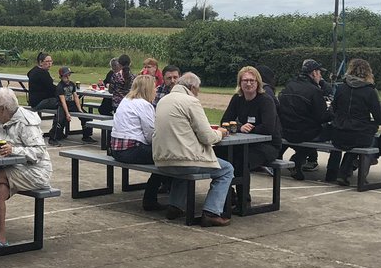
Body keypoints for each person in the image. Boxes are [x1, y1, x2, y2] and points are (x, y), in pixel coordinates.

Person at [153, 72, 234, 227]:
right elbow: (207, 137)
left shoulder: (163, 100)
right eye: (198, 90)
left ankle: (175, 206)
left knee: (181, 162)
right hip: (184, 161)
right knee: (227, 169)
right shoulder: (191, 101)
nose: (198, 93)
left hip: (162, 160)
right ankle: (211, 212)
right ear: (192, 87)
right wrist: (221, 133)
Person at [0, 88, 53, 249]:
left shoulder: (25, 123)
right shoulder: (1, 123)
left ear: (3, 109)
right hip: (14, 169)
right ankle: (1, 240)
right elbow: (0, 147)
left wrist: (14, 150)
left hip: (36, 171)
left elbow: (39, 151)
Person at [220, 66, 283, 198]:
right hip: (245, 144)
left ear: (258, 82)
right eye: (245, 80)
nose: (248, 84)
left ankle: (244, 199)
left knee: (241, 161)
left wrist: (250, 129)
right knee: (219, 154)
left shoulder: (265, 100)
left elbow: (268, 128)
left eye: (252, 80)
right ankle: (227, 194)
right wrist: (239, 127)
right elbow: (225, 121)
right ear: (240, 83)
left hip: (269, 145)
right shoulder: (237, 98)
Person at [109, 74, 168, 210]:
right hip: (131, 150)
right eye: (154, 88)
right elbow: (150, 134)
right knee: (168, 157)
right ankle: (151, 198)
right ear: (148, 89)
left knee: (163, 153)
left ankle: (165, 186)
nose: (155, 91)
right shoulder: (144, 105)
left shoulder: (126, 100)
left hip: (116, 150)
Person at [328, 57, 381, 186]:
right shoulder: (369, 91)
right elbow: (379, 118)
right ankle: (357, 174)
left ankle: (339, 172)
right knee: (369, 138)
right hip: (358, 135)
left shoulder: (341, 88)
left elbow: (333, 109)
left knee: (353, 139)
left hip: (338, 133)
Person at [278, 59, 332, 181]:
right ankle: (332, 172)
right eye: (319, 73)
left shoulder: (289, 85)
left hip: (286, 130)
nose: (320, 76)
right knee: (332, 132)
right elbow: (322, 117)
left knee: (306, 128)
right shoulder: (314, 90)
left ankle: (298, 159)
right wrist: (333, 111)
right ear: (313, 73)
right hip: (304, 133)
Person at [49, 65, 95, 146]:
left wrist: (79, 109)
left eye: (69, 75)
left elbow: (76, 96)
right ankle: (53, 138)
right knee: (59, 120)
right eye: (66, 75)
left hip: (71, 104)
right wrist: (67, 114)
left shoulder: (72, 84)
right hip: (62, 106)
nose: (67, 77)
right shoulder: (60, 86)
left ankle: (86, 136)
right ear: (61, 76)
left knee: (86, 117)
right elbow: (63, 101)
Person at [26, 51, 58, 116]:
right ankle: (57, 125)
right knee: (63, 103)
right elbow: (51, 89)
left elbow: (28, 74)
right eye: (47, 61)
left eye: (51, 61)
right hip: (40, 102)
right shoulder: (43, 73)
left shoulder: (34, 70)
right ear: (41, 62)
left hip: (33, 101)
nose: (49, 63)